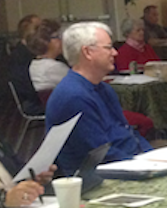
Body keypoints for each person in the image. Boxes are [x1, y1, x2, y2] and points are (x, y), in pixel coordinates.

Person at [45, 22, 153, 174]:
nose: (115, 53)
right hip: (100, 179)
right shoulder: (73, 97)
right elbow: (100, 154)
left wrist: (151, 155)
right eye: (108, 47)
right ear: (88, 52)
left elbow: (127, 133)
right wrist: (144, 164)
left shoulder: (103, 88)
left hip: (127, 165)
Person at [7, 14, 45, 115]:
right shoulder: (20, 56)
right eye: (39, 28)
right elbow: (25, 87)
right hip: (32, 102)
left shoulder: (32, 51)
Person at [27, 19, 69, 94]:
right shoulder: (53, 67)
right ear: (45, 42)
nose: (61, 40)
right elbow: (83, 86)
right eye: (57, 36)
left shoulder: (35, 64)